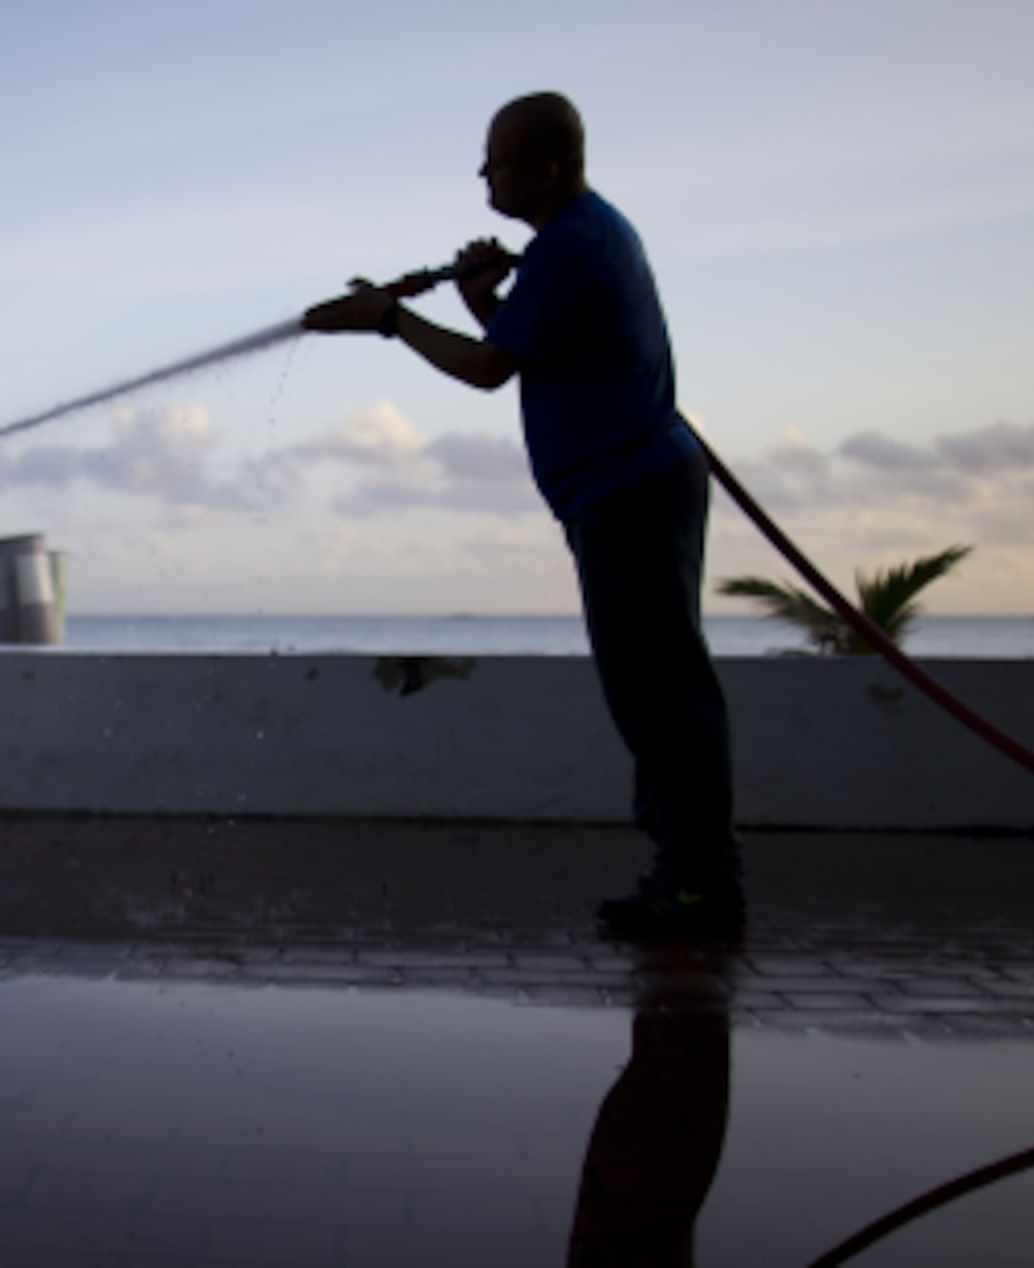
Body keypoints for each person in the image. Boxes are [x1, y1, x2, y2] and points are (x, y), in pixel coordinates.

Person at [302, 92, 743, 935]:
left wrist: (391, 319)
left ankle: (700, 883)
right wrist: (477, 294)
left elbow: (486, 369)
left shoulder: (573, 245)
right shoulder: (573, 241)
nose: (482, 175)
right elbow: (523, 343)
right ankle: (686, 873)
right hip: (627, 490)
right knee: (652, 686)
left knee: (660, 691)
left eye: (495, 161)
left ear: (543, 169)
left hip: (630, 493)